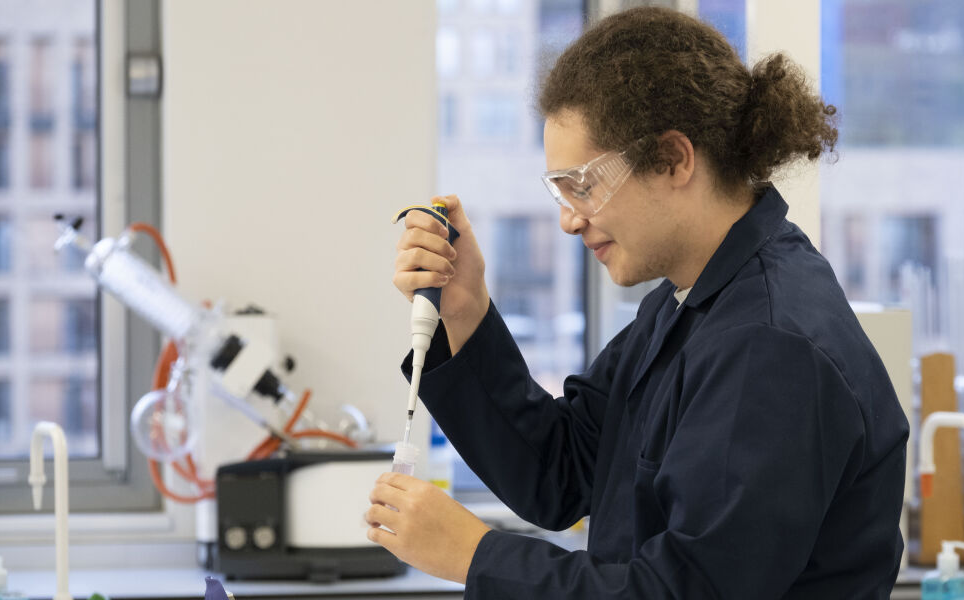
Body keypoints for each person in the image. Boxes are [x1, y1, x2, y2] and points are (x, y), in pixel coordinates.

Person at [365, 6, 909, 598]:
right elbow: (560, 472)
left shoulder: (769, 344)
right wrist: (466, 313)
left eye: (584, 185)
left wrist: (475, 556)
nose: (571, 220)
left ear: (674, 159)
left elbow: (685, 592)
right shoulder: (686, 304)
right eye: (560, 192)